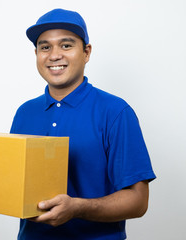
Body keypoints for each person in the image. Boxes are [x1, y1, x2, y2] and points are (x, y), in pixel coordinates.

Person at [9, 8, 156, 240]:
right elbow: (14, 184)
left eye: (66, 45)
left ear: (86, 52)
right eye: (45, 47)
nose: (54, 55)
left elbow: (138, 201)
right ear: (36, 53)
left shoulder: (116, 112)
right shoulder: (24, 112)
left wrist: (77, 208)